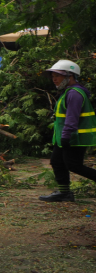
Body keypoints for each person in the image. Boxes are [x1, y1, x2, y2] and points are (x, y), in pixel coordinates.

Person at [38, 60, 96, 202]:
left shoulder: (74, 94)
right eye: (52, 77)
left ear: (70, 76)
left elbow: (72, 117)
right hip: (65, 136)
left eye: (57, 76)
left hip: (74, 137)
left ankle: (65, 193)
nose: (54, 80)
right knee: (57, 161)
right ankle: (64, 193)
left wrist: (66, 136)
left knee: (73, 165)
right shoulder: (68, 93)